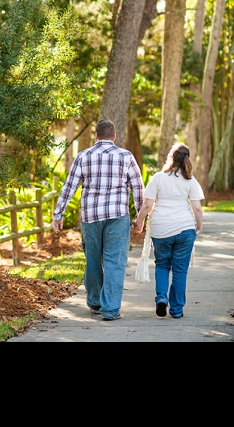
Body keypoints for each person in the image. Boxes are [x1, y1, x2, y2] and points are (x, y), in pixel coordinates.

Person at [52, 118, 144, 321]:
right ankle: (110, 309)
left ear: (95, 136)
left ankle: (95, 303)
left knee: (93, 259)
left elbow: (69, 187)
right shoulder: (126, 156)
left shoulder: (83, 156)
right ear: (114, 136)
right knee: (114, 262)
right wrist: (140, 216)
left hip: (90, 217)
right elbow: (138, 188)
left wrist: (58, 215)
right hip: (117, 217)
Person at [132, 142, 204, 319]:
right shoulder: (190, 180)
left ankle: (162, 298)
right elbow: (197, 208)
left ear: (171, 158)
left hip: (161, 229)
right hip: (185, 229)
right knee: (180, 270)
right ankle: (177, 310)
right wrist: (199, 225)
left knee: (162, 265)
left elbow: (148, 204)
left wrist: (138, 222)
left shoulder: (158, 177)